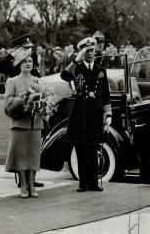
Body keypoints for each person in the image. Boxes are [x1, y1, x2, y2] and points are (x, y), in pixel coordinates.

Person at [60, 37, 112, 192]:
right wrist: (76, 60)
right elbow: (64, 76)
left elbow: (105, 94)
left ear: (96, 51)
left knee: (94, 148)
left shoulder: (101, 70)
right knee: (81, 149)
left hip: (95, 113)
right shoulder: (77, 68)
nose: (90, 53)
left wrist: (108, 113)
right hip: (80, 112)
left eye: (92, 50)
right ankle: (83, 183)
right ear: (82, 52)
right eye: (86, 51)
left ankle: (94, 182)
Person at [4, 47, 44, 198]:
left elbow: (45, 99)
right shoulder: (12, 81)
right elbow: (7, 104)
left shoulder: (38, 81)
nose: (27, 63)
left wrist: (42, 101)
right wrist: (21, 100)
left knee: (33, 156)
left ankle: (32, 185)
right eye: (24, 61)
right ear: (19, 65)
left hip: (35, 124)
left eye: (30, 61)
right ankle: (23, 186)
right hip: (19, 124)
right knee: (21, 156)